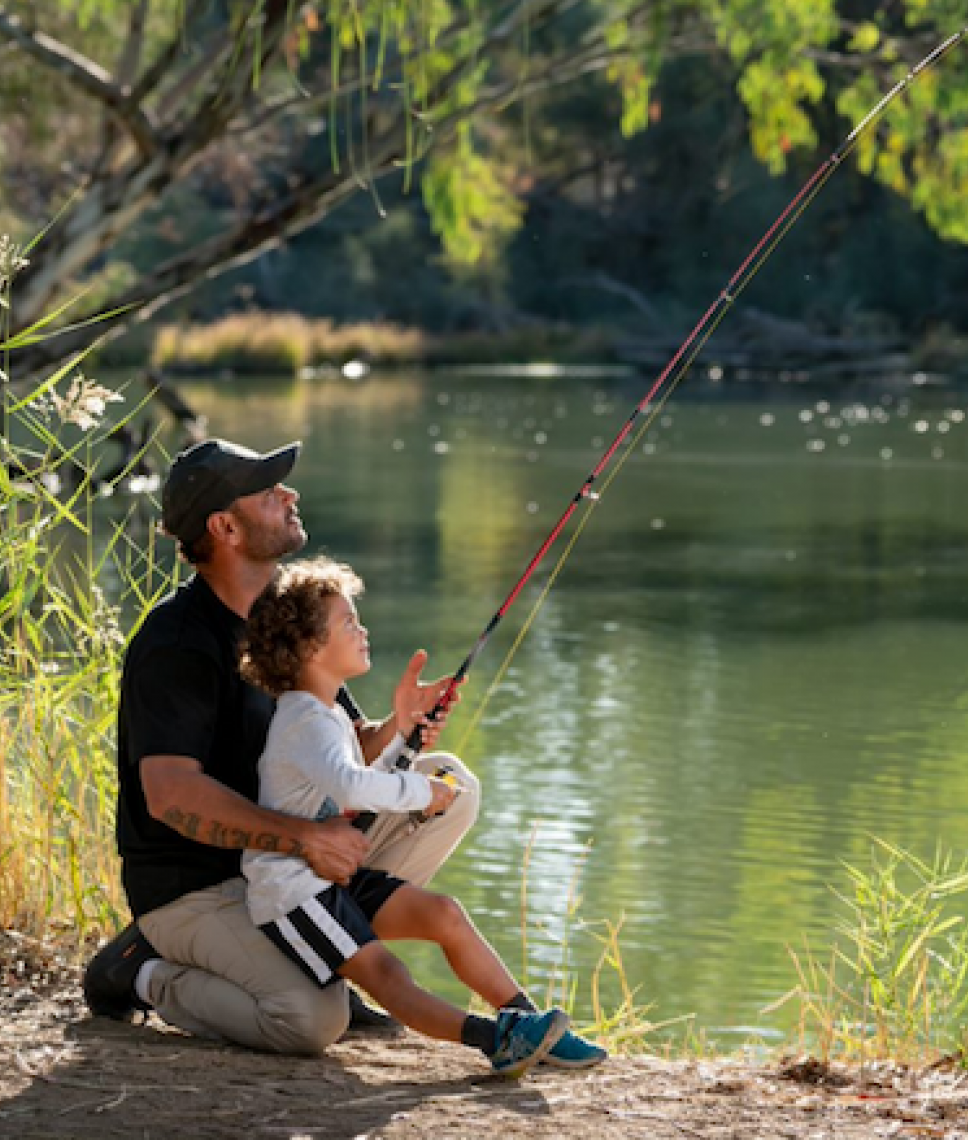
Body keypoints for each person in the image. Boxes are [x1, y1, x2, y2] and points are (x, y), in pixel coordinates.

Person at [81, 438, 604, 1069]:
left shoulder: (289, 615)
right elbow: (171, 797)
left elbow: (336, 751)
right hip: (195, 887)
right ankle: (144, 972)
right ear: (224, 527)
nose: (289, 494)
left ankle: (348, 957)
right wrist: (302, 838)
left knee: (445, 782)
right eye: (269, 491)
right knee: (309, 1020)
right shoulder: (176, 642)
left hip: (289, 859)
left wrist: (398, 728)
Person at [239, 556, 583, 1074]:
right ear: (311, 648)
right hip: (293, 894)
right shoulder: (303, 720)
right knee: (387, 973)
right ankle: (497, 1038)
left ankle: (530, 1025)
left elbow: (349, 790)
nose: (363, 630)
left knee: (443, 913)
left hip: (327, 878)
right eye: (348, 623)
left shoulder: (328, 713)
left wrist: (404, 734)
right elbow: (352, 784)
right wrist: (421, 790)